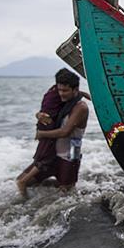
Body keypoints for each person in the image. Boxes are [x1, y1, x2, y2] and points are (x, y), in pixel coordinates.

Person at [16, 69, 89, 198]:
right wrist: (38, 115)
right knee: (23, 180)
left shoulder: (81, 107)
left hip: (72, 151)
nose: (61, 94)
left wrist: (42, 134)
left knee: (67, 192)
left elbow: (65, 132)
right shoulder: (61, 101)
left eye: (65, 91)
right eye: (59, 90)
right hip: (53, 151)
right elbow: (48, 113)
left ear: (75, 90)